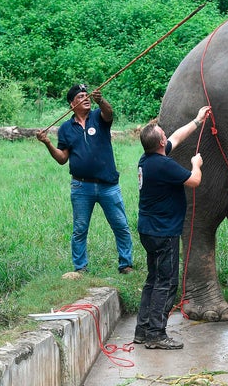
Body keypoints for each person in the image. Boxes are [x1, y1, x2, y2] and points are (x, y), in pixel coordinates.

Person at [133, 106, 210, 350]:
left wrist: (197, 121)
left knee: (153, 279)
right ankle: (156, 334)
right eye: (163, 133)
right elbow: (194, 181)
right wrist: (195, 163)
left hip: (148, 229)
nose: (168, 135)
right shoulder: (164, 166)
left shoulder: (148, 159)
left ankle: (142, 330)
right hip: (163, 232)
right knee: (166, 283)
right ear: (160, 142)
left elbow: (177, 136)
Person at [36, 84, 134, 275]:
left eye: (87, 95)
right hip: (81, 186)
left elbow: (109, 113)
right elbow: (62, 159)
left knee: (120, 225)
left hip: (108, 185)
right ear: (72, 104)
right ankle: (80, 268)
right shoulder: (65, 128)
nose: (86, 98)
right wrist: (47, 143)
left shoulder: (98, 117)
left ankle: (126, 265)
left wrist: (101, 100)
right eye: (81, 96)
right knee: (80, 229)